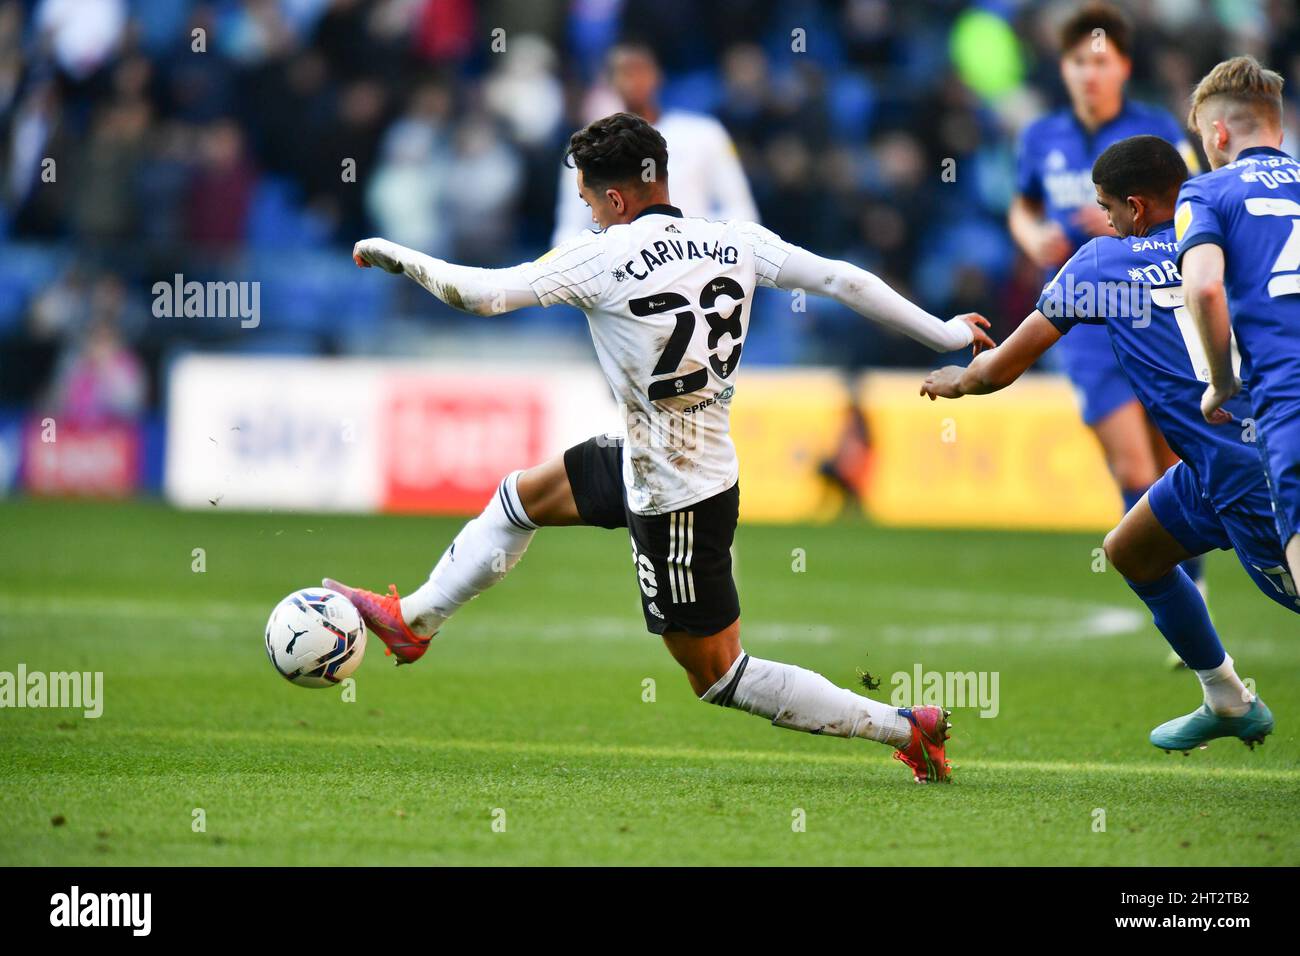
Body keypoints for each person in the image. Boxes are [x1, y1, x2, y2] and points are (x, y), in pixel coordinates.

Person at [329, 112, 996, 783]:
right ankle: (413, 619)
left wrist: (395, 254)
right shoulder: (735, 240)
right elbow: (843, 280)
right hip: (657, 456)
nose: (590, 215)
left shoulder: (601, 256)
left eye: (590, 202)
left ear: (616, 198)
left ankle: (904, 728)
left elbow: (481, 296)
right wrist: (942, 333)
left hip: (676, 496)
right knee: (520, 498)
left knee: (718, 673)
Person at [922, 135, 1283, 753]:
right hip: (1231, 455)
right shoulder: (1235, 248)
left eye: (1108, 206)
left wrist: (957, 381)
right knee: (1132, 550)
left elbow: (1000, 368)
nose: (1105, 219)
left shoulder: (1101, 266)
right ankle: (1226, 698)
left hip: (1248, 476)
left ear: (1136, 208)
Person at [1009, 2, 1205, 596]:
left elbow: (1192, 202)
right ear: (1063, 69)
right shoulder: (1041, 137)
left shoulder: (1156, 131)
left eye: (1099, 61)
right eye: (1075, 63)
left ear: (1122, 67)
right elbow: (1024, 205)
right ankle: (1179, 591)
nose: (1087, 74)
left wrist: (1122, 233)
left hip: (1157, 309)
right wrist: (1032, 234)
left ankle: (1181, 584)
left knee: (1172, 462)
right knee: (1133, 467)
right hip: (1088, 322)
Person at [1178, 56, 1300, 596]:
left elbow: (1203, 287)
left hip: (1287, 386)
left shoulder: (1208, 192)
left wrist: (1223, 381)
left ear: (1219, 131)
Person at [550, 43, 757, 246]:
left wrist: (696, 241)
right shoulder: (590, 144)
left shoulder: (704, 133)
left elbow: (741, 211)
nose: (634, 81)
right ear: (611, 82)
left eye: (640, 70)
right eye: (624, 72)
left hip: (697, 258)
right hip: (625, 267)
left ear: (658, 75)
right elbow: (569, 228)